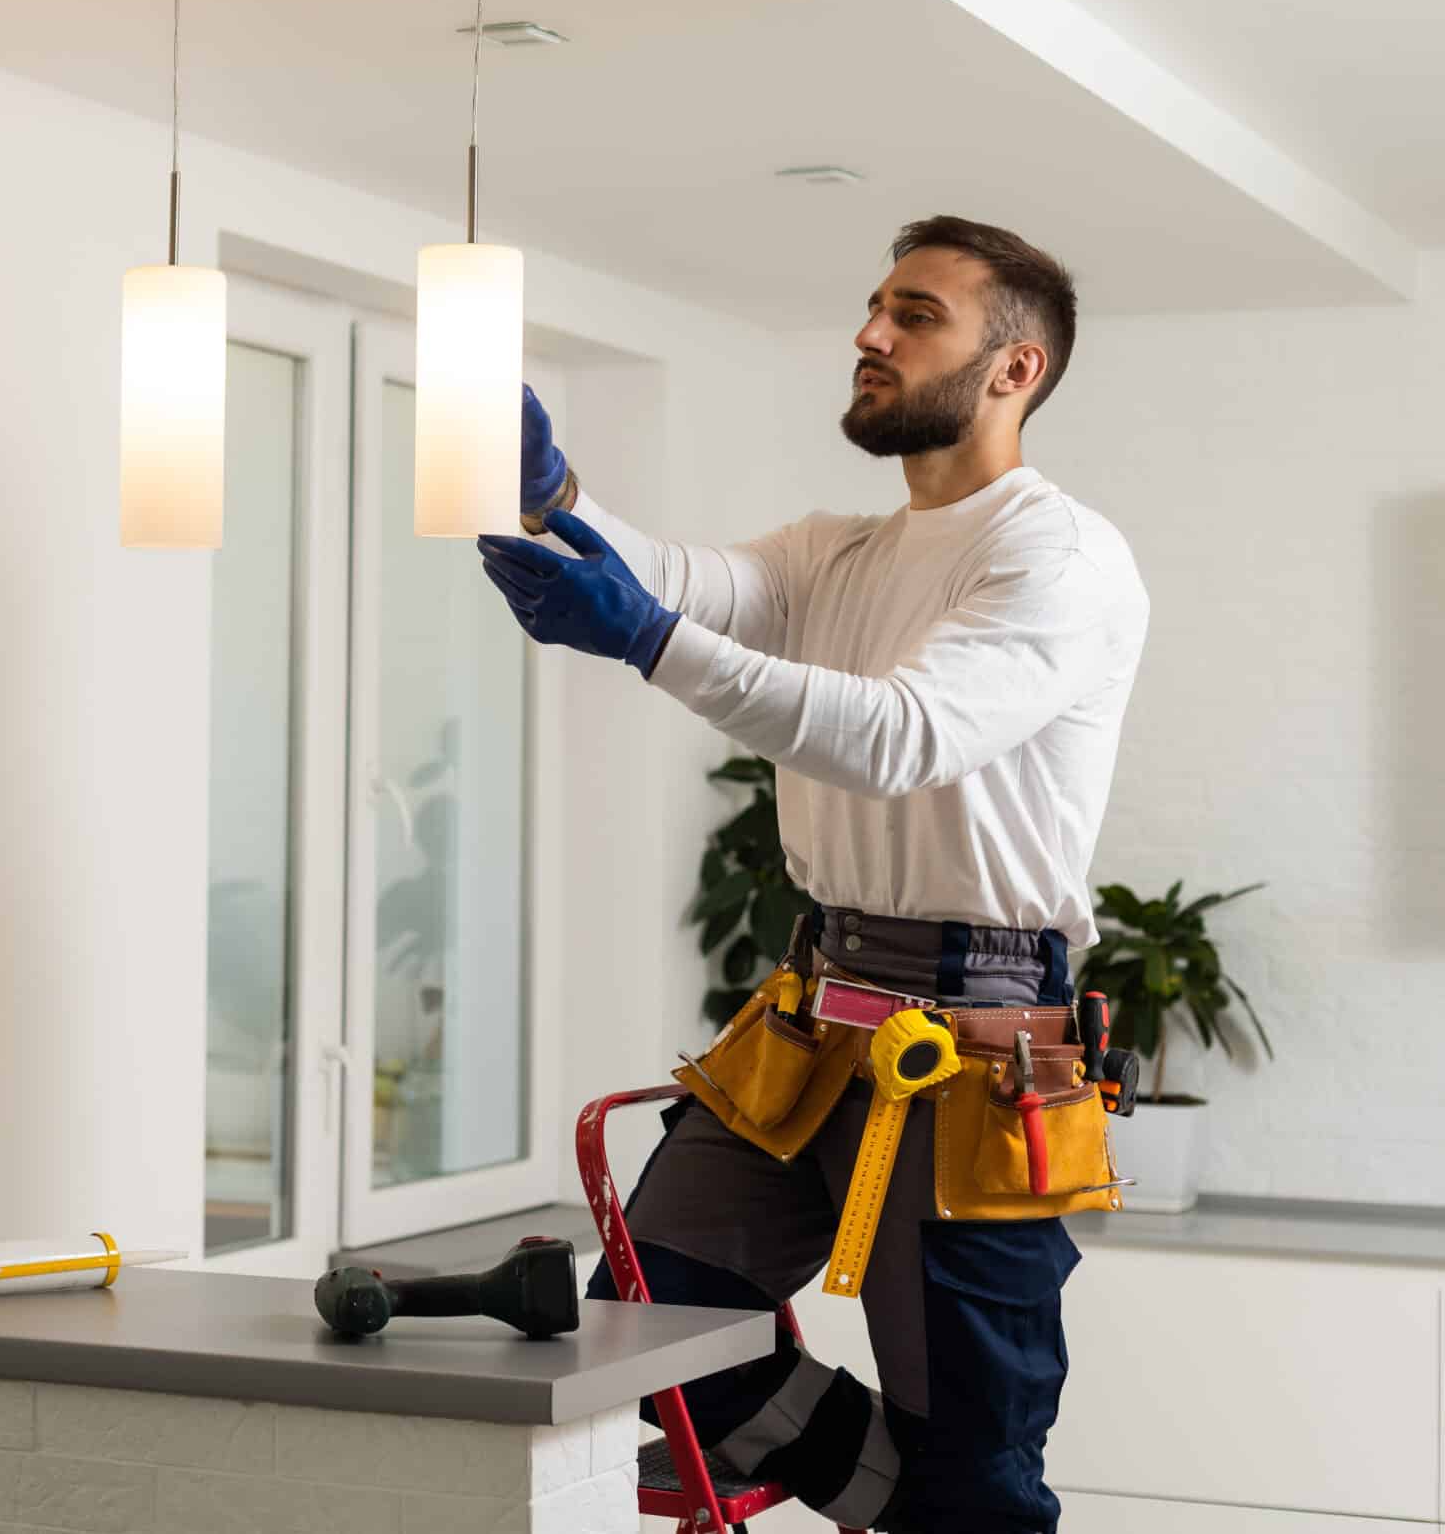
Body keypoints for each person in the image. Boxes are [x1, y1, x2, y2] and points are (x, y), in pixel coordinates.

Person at [478, 215, 1149, 1533]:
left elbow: (904, 737)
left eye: (914, 315)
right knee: (651, 1333)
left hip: (979, 1038)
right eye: (872, 309)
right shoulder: (835, 547)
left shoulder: (1057, 558)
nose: (870, 334)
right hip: (817, 1006)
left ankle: (951, 1497)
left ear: (1014, 369)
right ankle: (907, 1495)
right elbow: (681, 584)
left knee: (979, 1438)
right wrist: (562, 504)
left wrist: (650, 643)